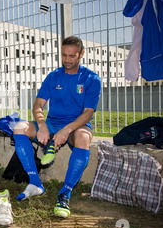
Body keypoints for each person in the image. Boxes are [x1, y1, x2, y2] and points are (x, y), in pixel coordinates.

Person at [12, 36, 101, 218]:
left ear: (81, 54)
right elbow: (38, 105)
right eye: (64, 55)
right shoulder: (54, 76)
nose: (67, 60)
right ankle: (35, 183)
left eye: (72, 56)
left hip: (77, 126)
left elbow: (88, 113)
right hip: (52, 123)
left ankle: (64, 193)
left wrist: (67, 130)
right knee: (19, 127)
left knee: (83, 138)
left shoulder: (92, 79)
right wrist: (42, 125)